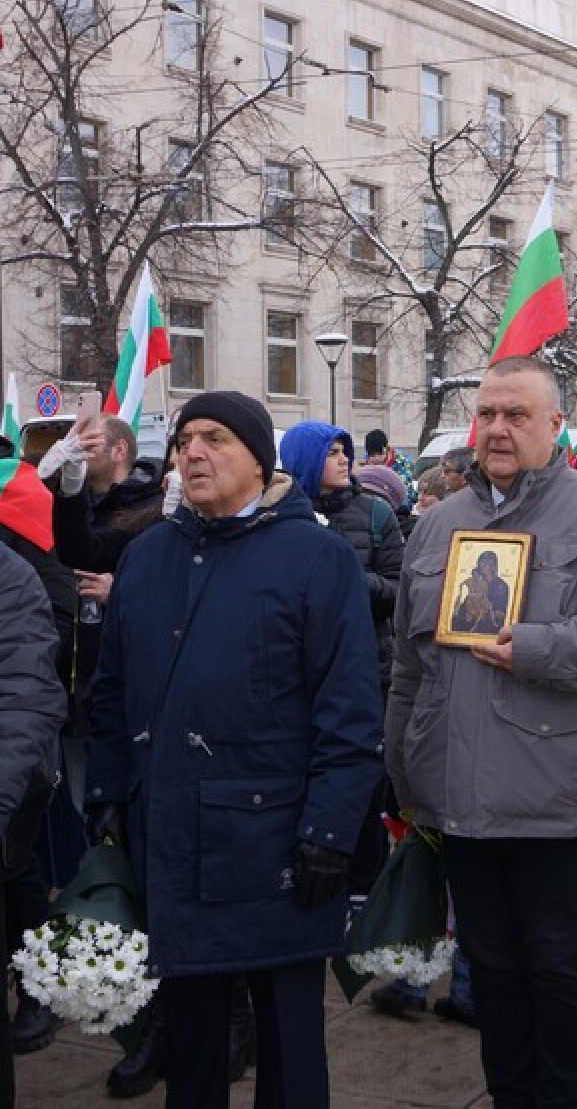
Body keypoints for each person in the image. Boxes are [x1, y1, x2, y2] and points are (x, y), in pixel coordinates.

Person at [385, 355, 577, 1109]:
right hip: (461, 800)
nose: (497, 429)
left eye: (517, 415)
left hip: (561, 802)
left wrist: (544, 647)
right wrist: (406, 773)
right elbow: (409, 669)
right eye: (486, 414)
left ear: (557, 426)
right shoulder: (438, 526)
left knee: (559, 976)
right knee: (493, 974)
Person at [85, 391, 385, 1108]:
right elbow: (110, 696)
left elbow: (348, 711)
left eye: (214, 438)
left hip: (280, 849)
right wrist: (106, 800)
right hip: (174, 842)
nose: (192, 451)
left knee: (288, 1050)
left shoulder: (317, 557)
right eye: (186, 438)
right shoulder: (149, 556)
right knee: (191, 1050)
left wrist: (328, 832)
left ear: (259, 459)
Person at [35, 414, 172, 1098]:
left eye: (89, 446)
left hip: (152, 718)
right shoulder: (110, 508)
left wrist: (130, 593)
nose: (80, 454)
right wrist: (63, 487)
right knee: (109, 852)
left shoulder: (156, 510)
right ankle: (146, 1012)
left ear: (119, 451)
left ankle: (177, 1023)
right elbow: (75, 550)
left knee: (152, 870)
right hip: (97, 705)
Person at [279, 421, 405, 907]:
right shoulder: (282, 517)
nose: (343, 460)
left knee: (362, 787)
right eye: (331, 452)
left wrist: (349, 578)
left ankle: (361, 894)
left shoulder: (375, 514)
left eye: (344, 451)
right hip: (300, 677)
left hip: (368, 672)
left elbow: (400, 590)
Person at [0, 538, 69, 1109]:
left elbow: (26, 698)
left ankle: (38, 987)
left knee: (20, 878)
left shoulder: (12, 574)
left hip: (13, 795)